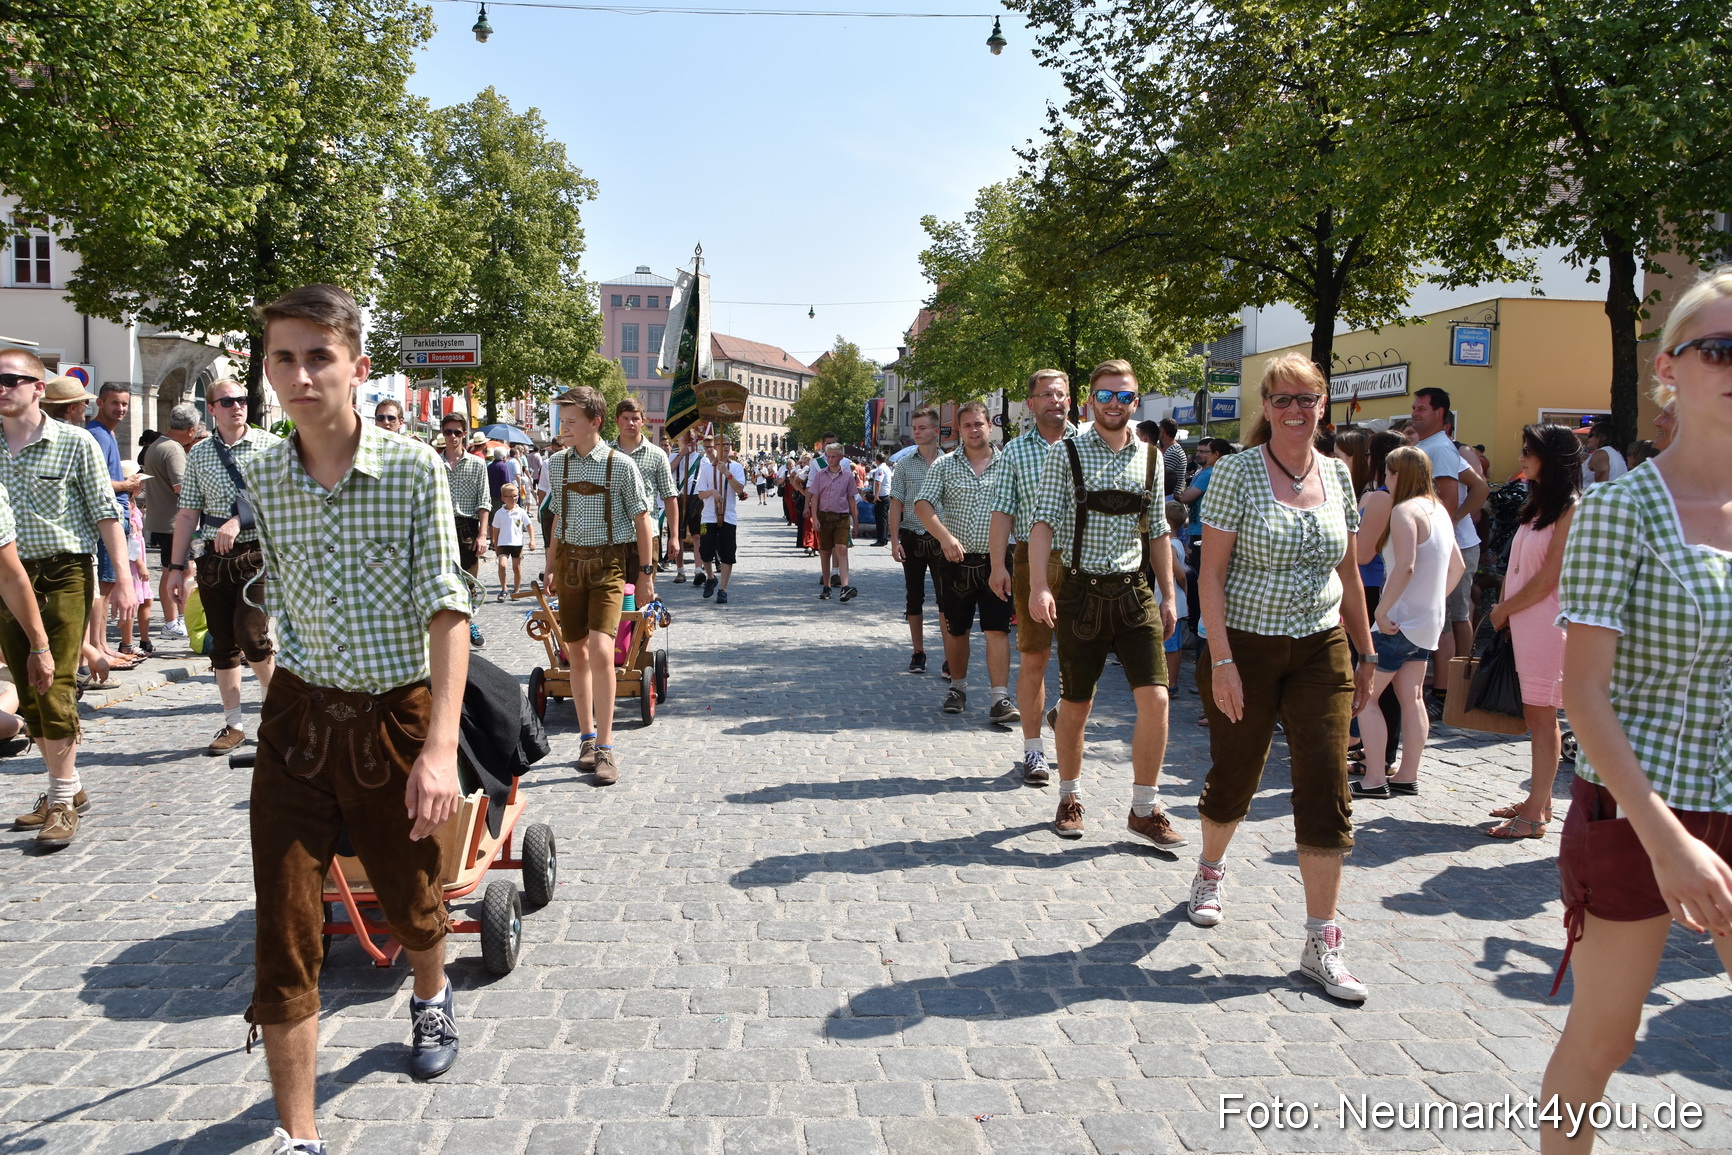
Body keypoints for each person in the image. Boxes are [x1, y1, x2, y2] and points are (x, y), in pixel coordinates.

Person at [239, 286, 473, 1155]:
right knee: (285, 929)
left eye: (318, 356)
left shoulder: (414, 470)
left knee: (413, 899)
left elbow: (449, 608)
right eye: (284, 359)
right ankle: (298, 1136)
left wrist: (441, 749)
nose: (300, 375)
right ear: (268, 370)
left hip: (393, 715)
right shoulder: (262, 470)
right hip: (298, 720)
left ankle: (429, 993)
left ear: (356, 366)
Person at [1541, 269, 1732, 1155]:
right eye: (1720, 348)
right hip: (1640, 808)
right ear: (1670, 368)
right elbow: (1583, 696)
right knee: (1604, 1040)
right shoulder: (1620, 509)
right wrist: (1668, 837)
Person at [1193, 352, 1378, 1002]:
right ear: (1265, 408)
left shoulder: (1339, 473)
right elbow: (1209, 577)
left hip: (1320, 646)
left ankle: (1321, 939)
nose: (1296, 410)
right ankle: (1211, 867)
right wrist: (1219, 661)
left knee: (1326, 781)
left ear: (1322, 405)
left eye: (1307, 399)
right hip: (1245, 644)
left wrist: (1367, 645)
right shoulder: (1236, 474)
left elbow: (1349, 571)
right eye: (1282, 400)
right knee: (1237, 771)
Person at [1028, 361, 1183, 847]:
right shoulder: (1066, 454)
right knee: (1077, 702)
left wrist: (1169, 593)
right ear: (1089, 401)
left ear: (1137, 403)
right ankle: (1069, 796)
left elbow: (1157, 530)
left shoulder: (1152, 458)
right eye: (1106, 396)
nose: (1115, 404)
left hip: (1134, 592)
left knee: (1156, 699)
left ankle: (1144, 807)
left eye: (1126, 397)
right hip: (1080, 592)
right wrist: (1039, 585)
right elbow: (1042, 525)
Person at [0, 351, 131, 848]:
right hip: (4, 576)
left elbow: (106, 513)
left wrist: (122, 578)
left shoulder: (74, 443)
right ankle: (69, 786)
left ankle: (59, 800)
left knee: (51, 681)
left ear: (38, 388)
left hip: (63, 572)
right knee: (27, 684)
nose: (2, 387)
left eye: (12, 379)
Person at [546, 386, 655, 786]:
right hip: (570, 563)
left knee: (603, 650)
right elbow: (558, 516)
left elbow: (643, 520)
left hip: (609, 564)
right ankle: (587, 739)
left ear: (595, 422)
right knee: (574, 652)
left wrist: (646, 573)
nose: (564, 428)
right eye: (562, 421)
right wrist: (550, 563)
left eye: (571, 421)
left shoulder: (621, 466)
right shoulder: (556, 465)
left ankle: (607, 748)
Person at [165, 379, 281, 755]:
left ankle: (277, 707)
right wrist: (175, 566)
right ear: (211, 409)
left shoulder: (270, 447)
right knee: (222, 644)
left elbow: (287, 503)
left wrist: (240, 521)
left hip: (257, 554)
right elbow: (187, 515)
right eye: (227, 401)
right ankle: (234, 725)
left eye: (242, 400)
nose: (237, 406)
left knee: (252, 636)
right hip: (213, 559)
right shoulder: (199, 454)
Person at [1481, 422, 1581, 839]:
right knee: (1536, 718)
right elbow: (1521, 567)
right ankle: (1538, 801)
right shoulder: (1541, 502)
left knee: (1542, 720)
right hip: (1525, 619)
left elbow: (1548, 579)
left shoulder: (1571, 506)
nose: (1521, 456)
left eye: (1529, 450)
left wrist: (1503, 611)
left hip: (1544, 622)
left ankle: (1533, 816)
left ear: (1551, 457)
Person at [1350, 447, 1464, 799]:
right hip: (1427, 620)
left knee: (1364, 699)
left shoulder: (1404, 510)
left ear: (1398, 474)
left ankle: (1374, 779)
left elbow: (1405, 566)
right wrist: (1431, 601)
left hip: (1398, 619)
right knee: (1412, 696)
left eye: (1388, 473)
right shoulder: (1439, 510)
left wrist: (1383, 611)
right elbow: (1456, 567)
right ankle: (1406, 774)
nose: (1385, 479)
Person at [988, 369, 1075, 784]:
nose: (1053, 401)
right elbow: (1002, 512)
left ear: (1071, 400)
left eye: (1060, 394)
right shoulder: (1015, 453)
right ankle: (1033, 750)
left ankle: (1064, 710)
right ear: (1031, 403)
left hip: (1084, 561)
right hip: (1030, 562)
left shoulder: (1090, 445)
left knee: (1083, 662)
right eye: (1045, 395)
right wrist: (998, 565)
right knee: (1035, 657)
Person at [917, 400, 1012, 720]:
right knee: (956, 629)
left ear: (989, 426)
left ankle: (1000, 697)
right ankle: (957, 687)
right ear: (960, 430)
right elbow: (923, 505)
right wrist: (945, 537)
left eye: (979, 424)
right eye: (968, 425)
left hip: (996, 561)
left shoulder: (1008, 464)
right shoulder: (944, 466)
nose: (974, 429)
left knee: (997, 629)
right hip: (955, 561)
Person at [1408, 387, 1488, 700]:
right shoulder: (1436, 445)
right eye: (1414, 407)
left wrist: (1450, 524)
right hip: (1455, 543)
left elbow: (1455, 498)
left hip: (1454, 547)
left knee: (1454, 616)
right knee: (1455, 614)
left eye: (1421, 409)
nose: (1414, 412)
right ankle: (1457, 683)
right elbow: (1480, 488)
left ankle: (1455, 686)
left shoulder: (1438, 448)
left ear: (1439, 413)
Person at [1347, 431, 1406, 776]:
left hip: (1371, 588)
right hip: (1375, 588)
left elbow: (1365, 552)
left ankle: (1378, 754)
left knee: (1375, 676)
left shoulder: (1382, 498)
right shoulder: (1384, 496)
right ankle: (1376, 749)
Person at [87, 382, 148, 672]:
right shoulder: (97, 434)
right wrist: (126, 485)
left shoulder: (107, 433)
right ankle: (97, 647)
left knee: (107, 586)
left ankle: (102, 645)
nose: (120, 409)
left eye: (124, 404)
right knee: (103, 586)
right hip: (107, 517)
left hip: (118, 514)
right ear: (100, 402)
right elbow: (95, 481)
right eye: (114, 403)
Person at [890, 407, 944, 671]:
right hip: (912, 535)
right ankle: (918, 652)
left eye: (922, 427)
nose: (917, 432)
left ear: (935, 431)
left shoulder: (950, 462)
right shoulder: (904, 464)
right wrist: (894, 539)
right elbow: (895, 503)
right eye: (915, 428)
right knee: (914, 597)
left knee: (947, 600)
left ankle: (950, 656)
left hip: (942, 538)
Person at [142, 404, 199, 639]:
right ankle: (175, 621)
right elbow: (182, 488)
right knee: (180, 571)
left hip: (163, 519)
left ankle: (175, 621)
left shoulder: (157, 445)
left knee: (175, 570)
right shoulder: (174, 450)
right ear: (191, 430)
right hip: (174, 522)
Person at [610, 398, 679, 582]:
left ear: (643, 421)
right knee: (612, 600)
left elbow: (669, 496)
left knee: (642, 598)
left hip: (648, 535)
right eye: (625, 418)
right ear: (617, 421)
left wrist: (674, 536)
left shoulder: (657, 455)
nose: (630, 423)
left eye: (635, 418)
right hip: (613, 536)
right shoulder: (607, 453)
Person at [437, 414, 490, 647]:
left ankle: (470, 623)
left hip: (467, 527)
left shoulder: (477, 463)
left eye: (457, 432)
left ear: (465, 434)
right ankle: (445, 629)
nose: (453, 437)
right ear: (443, 433)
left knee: (469, 581)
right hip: (439, 525)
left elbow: (484, 501)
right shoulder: (434, 463)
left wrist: (482, 535)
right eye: (448, 432)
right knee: (441, 580)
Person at [696, 433, 748, 604]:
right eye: (722, 444)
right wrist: (712, 492)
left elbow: (740, 490)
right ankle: (710, 578)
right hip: (708, 516)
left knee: (727, 552)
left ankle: (723, 589)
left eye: (728, 444)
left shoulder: (737, 467)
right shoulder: (706, 469)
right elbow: (700, 494)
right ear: (715, 447)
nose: (726, 447)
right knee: (705, 550)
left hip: (728, 516)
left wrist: (727, 473)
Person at [808, 441, 859, 601]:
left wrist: (856, 522)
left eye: (833, 457)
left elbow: (852, 500)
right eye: (828, 456)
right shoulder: (820, 474)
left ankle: (845, 586)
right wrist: (814, 517)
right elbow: (815, 497)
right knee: (824, 551)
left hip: (842, 517)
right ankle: (827, 585)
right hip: (824, 516)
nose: (830, 459)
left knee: (842, 549)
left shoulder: (848, 476)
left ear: (841, 457)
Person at [669, 429, 706, 584]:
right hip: (678, 496)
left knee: (697, 535)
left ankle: (698, 569)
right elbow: (668, 470)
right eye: (687, 439)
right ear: (681, 441)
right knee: (678, 535)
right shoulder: (674, 456)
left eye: (692, 439)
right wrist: (681, 454)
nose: (690, 442)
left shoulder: (701, 459)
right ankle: (680, 570)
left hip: (696, 498)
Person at [489, 484, 535, 601]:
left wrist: (532, 540)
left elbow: (529, 526)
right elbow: (496, 530)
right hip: (503, 543)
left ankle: (516, 590)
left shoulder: (520, 512)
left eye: (515, 496)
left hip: (517, 543)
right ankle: (504, 588)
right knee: (502, 565)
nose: (513, 499)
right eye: (509, 496)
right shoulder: (499, 513)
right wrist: (495, 543)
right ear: (503, 498)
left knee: (517, 568)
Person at [1580, 416, 1628, 490]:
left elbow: (1603, 472)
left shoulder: (1601, 453)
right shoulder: (1617, 453)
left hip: (1597, 500)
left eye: (1591, 435)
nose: (1588, 438)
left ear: (1601, 436)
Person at [868, 453, 893, 546]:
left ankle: (881, 539)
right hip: (886, 495)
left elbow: (878, 482)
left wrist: (876, 496)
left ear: (876, 459)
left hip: (881, 496)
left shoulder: (881, 469)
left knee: (880, 519)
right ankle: (883, 538)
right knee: (884, 519)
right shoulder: (887, 468)